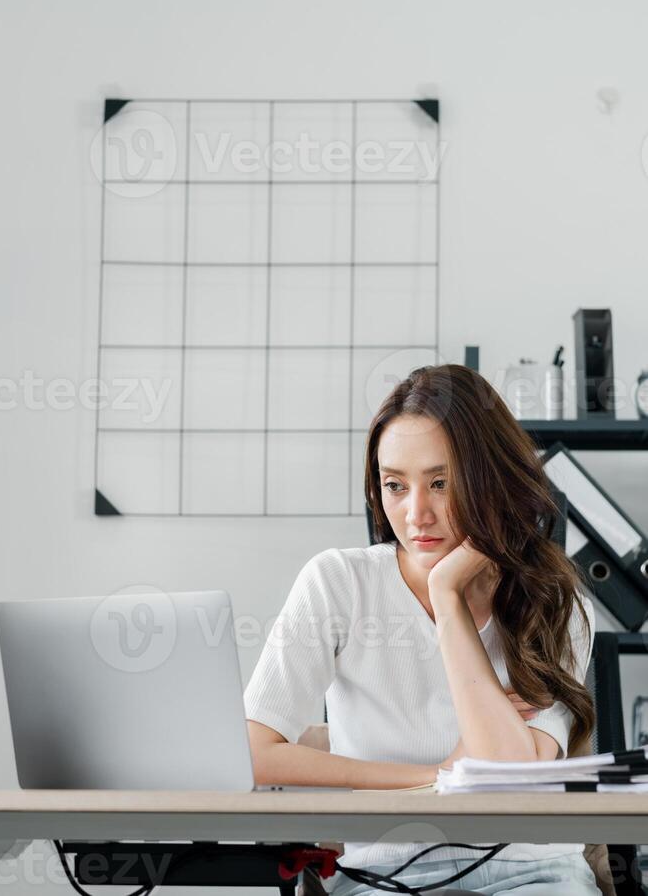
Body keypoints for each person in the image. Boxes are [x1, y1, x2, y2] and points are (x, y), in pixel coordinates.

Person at [244, 364, 601, 895]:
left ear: (491, 479)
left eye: (441, 483)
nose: (416, 515)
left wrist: (447, 596)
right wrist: (438, 777)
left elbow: (502, 788)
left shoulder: (556, 601)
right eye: (395, 485)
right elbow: (255, 750)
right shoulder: (338, 582)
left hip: (534, 873)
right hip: (382, 877)